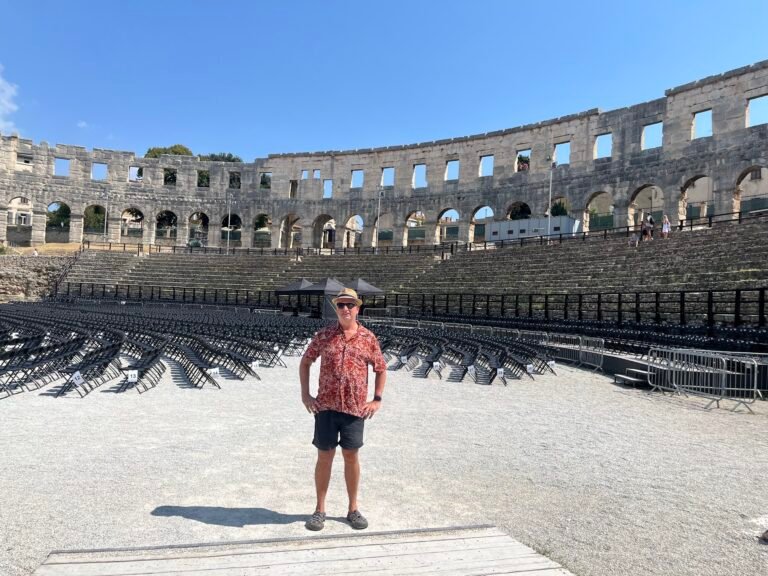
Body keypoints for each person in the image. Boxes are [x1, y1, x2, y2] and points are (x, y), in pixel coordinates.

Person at [300, 287, 387, 532]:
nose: (345, 309)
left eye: (350, 305)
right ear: (335, 308)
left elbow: (380, 368)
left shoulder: (368, 338)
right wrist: (305, 394)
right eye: (341, 305)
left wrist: (377, 399)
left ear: (358, 308)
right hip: (326, 406)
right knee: (324, 456)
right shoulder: (324, 335)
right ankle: (319, 510)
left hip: (354, 409)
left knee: (351, 456)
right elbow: (306, 361)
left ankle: (353, 509)